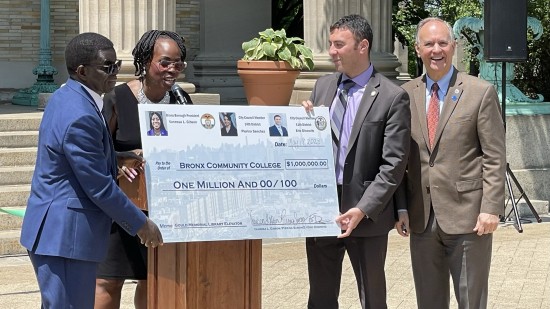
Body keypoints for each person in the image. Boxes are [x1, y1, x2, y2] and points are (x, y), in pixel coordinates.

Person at [19, 32, 163, 309]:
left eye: (116, 64)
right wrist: (141, 225)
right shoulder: (81, 114)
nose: (115, 73)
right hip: (63, 237)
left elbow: (74, 157)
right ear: (82, 71)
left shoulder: (71, 96)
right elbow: (98, 187)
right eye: (107, 67)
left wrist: (118, 157)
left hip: (61, 233)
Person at [301, 14, 410, 308]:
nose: (331, 51)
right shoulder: (322, 87)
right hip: (322, 210)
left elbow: (393, 165)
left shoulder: (392, 97)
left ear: (362, 46)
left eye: (339, 44)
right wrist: (301, 122)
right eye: (331, 44)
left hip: (366, 213)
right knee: (320, 297)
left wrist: (363, 209)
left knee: (372, 298)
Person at [398, 17, 506, 309]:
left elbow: (495, 156)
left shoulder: (480, 92)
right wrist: (401, 207)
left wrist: (490, 208)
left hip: (470, 219)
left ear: (454, 46)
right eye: (429, 43)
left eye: (443, 42)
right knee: (428, 303)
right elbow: (397, 158)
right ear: (418, 49)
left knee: (471, 302)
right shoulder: (404, 95)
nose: (436, 50)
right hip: (421, 220)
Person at [97, 30, 192, 309]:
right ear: (145, 60)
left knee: (151, 280)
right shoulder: (117, 97)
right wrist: (121, 160)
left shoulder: (181, 100)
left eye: (178, 63)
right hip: (120, 206)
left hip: (163, 206)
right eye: (165, 62)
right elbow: (98, 150)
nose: (172, 69)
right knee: (108, 281)